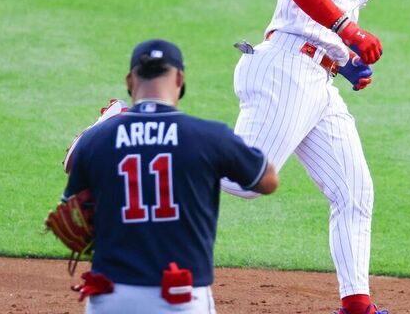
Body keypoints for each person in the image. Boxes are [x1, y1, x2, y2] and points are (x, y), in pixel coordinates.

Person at [222, 0, 405, 314]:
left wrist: (343, 60)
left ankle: (357, 305)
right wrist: (347, 30)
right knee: (245, 181)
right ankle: (132, 130)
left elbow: (324, 11)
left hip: (316, 79)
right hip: (287, 68)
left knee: (354, 191)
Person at [60, 39, 278, 314]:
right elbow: (267, 181)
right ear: (179, 79)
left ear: (130, 81)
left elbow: (73, 219)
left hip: (112, 297)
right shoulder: (210, 137)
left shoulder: (96, 142)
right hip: (179, 299)